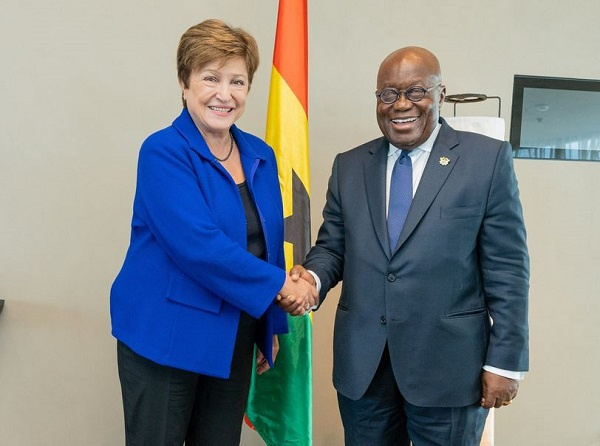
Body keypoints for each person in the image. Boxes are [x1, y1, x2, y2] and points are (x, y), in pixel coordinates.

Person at [291, 46, 529, 445]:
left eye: (416, 92)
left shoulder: (485, 160)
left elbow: (508, 268)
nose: (401, 105)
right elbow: (333, 246)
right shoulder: (349, 165)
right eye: (388, 94)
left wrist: (506, 361)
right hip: (363, 370)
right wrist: (311, 280)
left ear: (439, 93)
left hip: (449, 370)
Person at [110, 19, 316, 446]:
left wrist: (269, 325)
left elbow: (267, 245)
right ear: (185, 83)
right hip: (165, 337)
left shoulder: (259, 153)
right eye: (211, 78)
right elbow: (199, 246)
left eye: (237, 81)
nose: (225, 94)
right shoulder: (162, 151)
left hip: (232, 337)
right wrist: (283, 288)